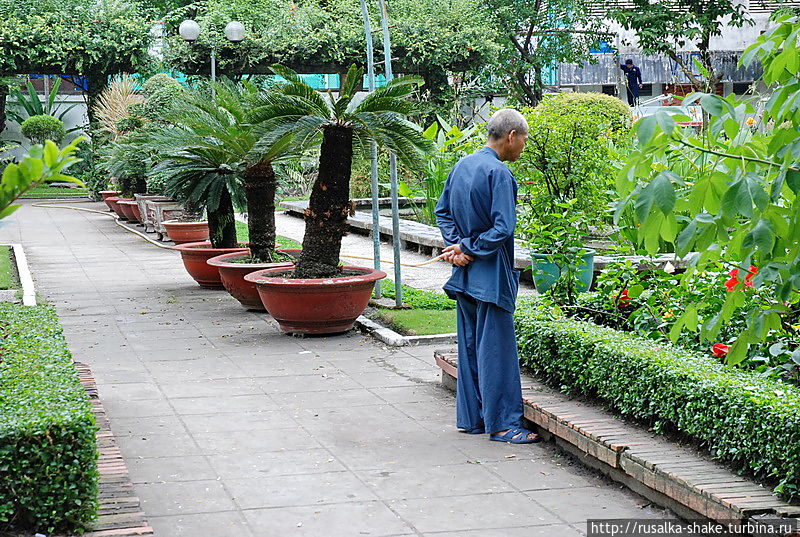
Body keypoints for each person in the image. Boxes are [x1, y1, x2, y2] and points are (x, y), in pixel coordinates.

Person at [434, 108, 541, 444]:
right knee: (496, 351)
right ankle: (504, 425)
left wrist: (457, 247)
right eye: (523, 138)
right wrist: (466, 248)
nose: (524, 145)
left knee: (469, 348)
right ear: (511, 136)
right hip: (490, 277)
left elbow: (443, 211)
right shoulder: (501, 175)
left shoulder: (462, 165)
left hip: (464, 274)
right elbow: (502, 228)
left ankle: (474, 419)